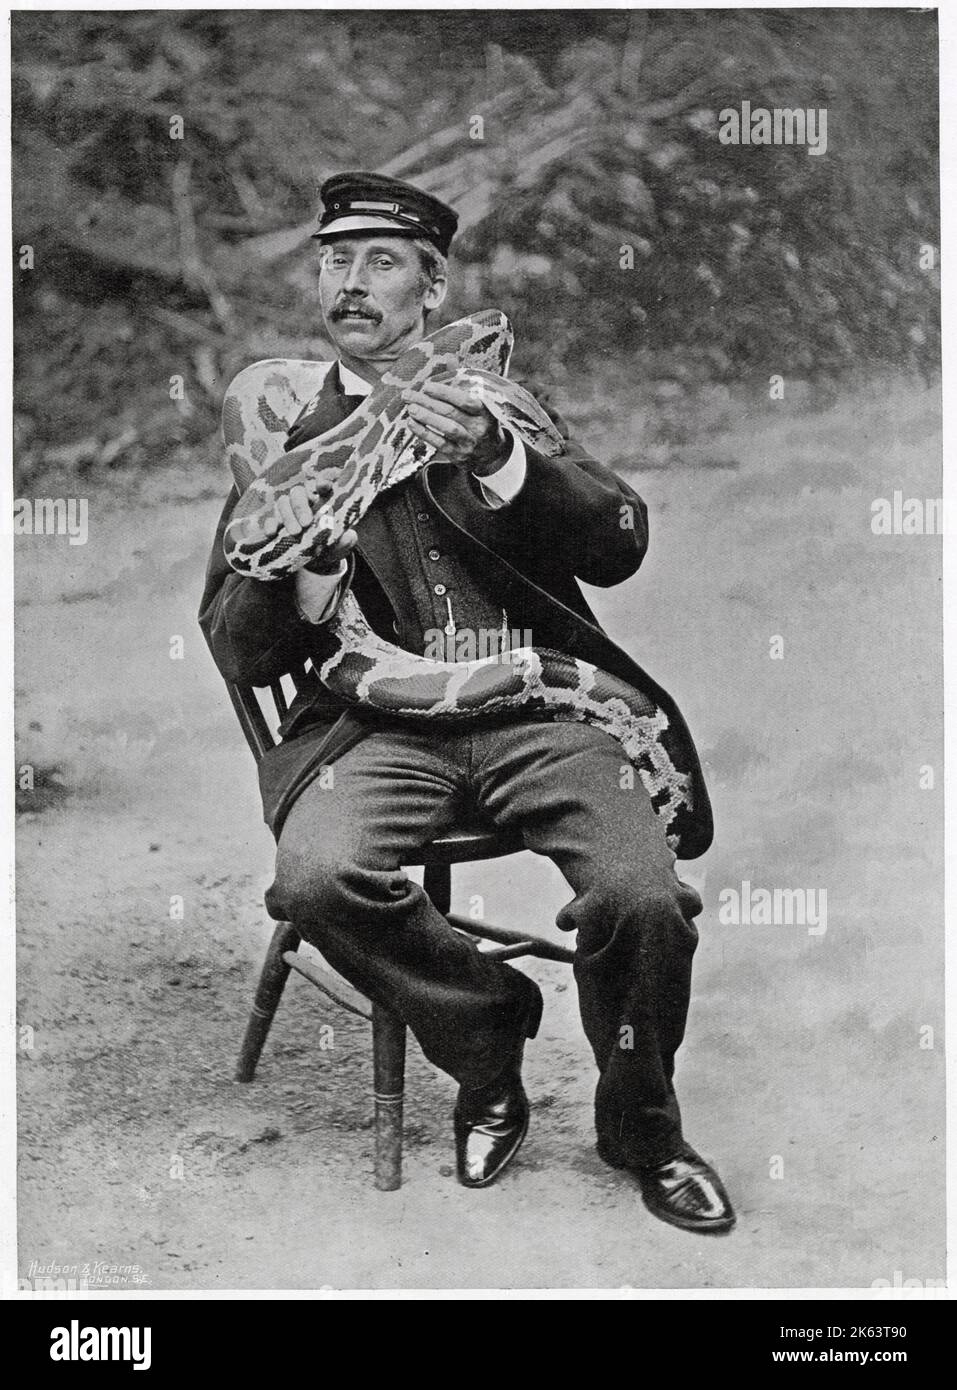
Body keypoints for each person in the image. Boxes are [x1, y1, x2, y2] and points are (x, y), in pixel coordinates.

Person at [200, 172, 735, 1234]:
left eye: (382, 261)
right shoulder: (287, 439)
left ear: (432, 289)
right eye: (336, 260)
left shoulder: (494, 402)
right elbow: (235, 643)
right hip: (377, 724)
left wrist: (502, 461)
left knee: (642, 896)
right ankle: (490, 1045)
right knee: (316, 876)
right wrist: (291, 577)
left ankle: (643, 1126)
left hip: (536, 706)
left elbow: (621, 539)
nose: (353, 283)